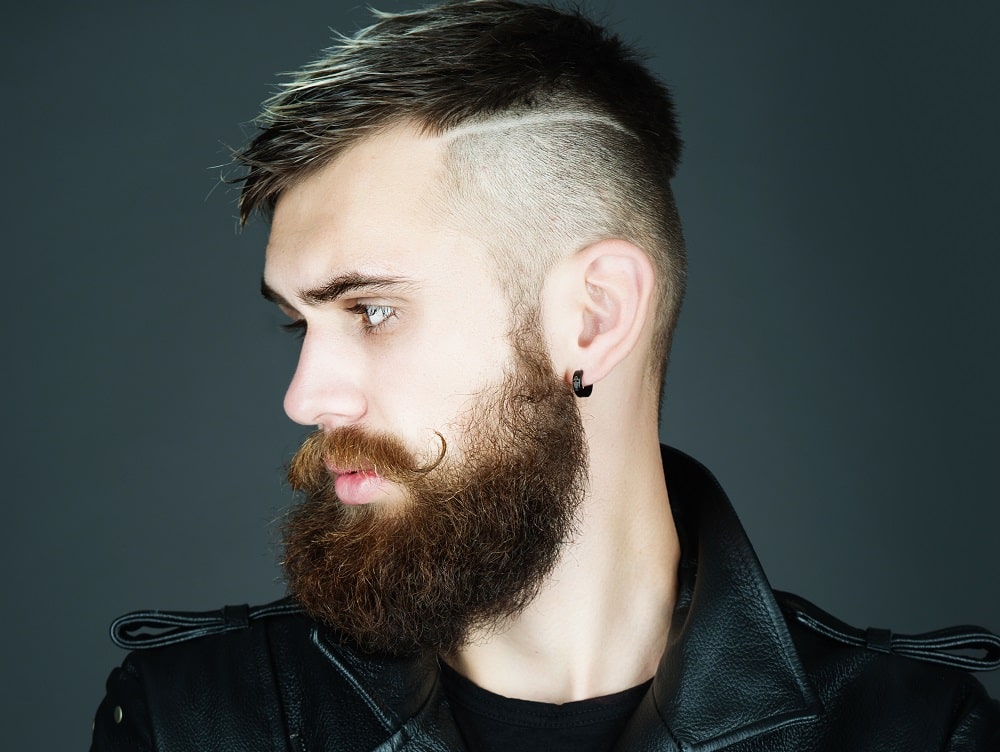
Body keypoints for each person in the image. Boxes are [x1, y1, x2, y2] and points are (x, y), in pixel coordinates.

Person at [89, 1, 1000, 749]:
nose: (304, 396)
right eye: (300, 323)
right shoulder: (191, 723)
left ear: (593, 318)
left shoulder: (915, 734)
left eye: (370, 309)